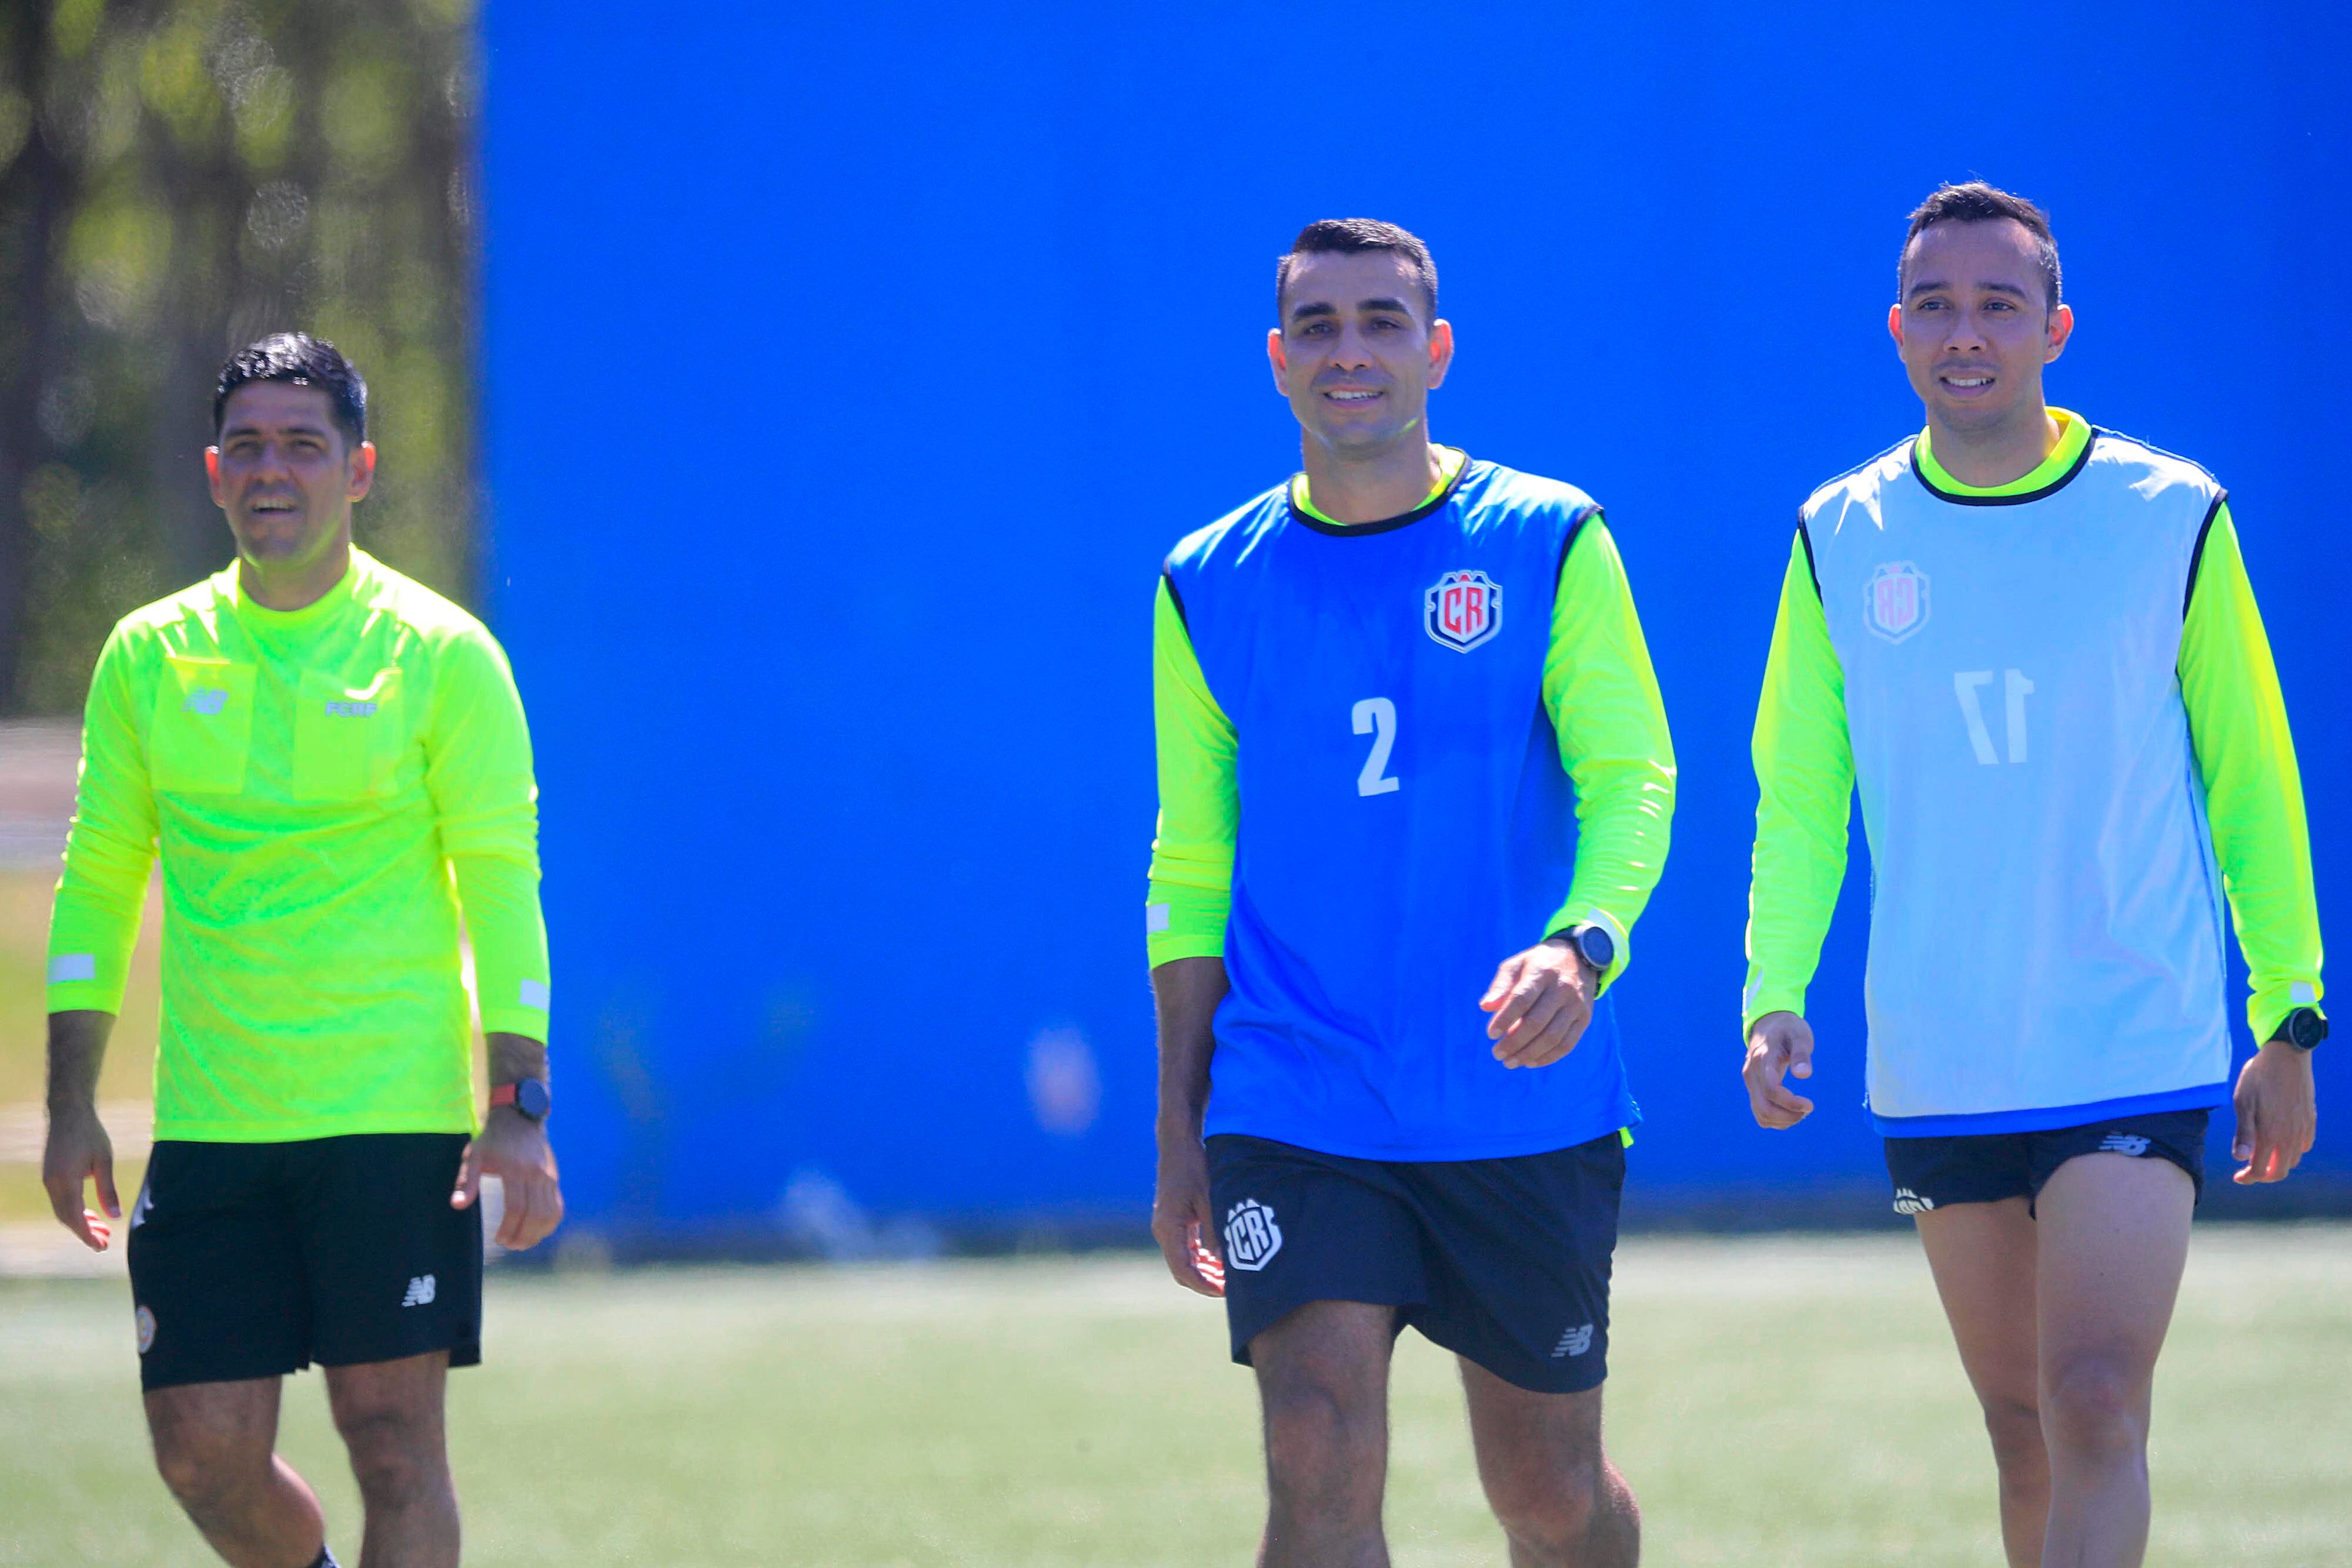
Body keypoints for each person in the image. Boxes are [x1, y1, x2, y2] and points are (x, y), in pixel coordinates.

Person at [1740, 182, 2325, 1568]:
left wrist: (2287, 1008)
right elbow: (1802, 795)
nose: (1964, 330)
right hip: (1941, 1057)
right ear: (1895, 330)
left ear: (2052, 327)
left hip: (2129, 1030)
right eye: (1934, 304)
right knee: (2018, 1429)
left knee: (2093, 1400)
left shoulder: (2166, 510)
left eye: (1997, 303)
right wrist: (1773, 985)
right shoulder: (1839, 532)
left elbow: (2251, 773)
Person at [1147, 219, 1676, 1567]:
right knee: (1312, 1448)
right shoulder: (1206, 583)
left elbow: (1632, 780)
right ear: (1276, 360)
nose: (1349, 351)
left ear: (1434, 349)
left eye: (1381, 320)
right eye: (1316, 325)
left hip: (1513, 1087)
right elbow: (1190, 864)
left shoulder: (1548, 536)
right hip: (1296, 1086)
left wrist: (1583, 945)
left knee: (1548, 1493)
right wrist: (1180, 1120)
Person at [40, 333, 562, 1568]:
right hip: (215, 1124)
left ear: (360, 469)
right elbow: (99, 882)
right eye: (248, 446)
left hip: (392, 1120)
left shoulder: (443, 656)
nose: (273, 470)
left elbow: (504, 887)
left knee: (393, 1445)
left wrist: (519, 1104)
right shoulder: (146, 656)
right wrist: (72, 1109)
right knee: (199, 1455)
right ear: (215, 471)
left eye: (303, 445)